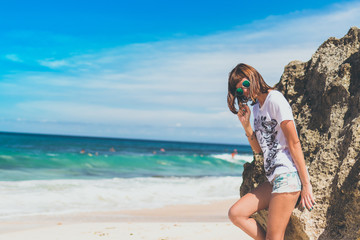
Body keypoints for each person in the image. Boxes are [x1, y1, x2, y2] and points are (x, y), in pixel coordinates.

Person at [226, 63, 315, 240]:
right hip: (273, 179)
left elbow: (294, 142)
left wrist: (306, 184)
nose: (243, 91)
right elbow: (259, 150)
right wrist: (246, 125)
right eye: (238, 91)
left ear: (253, 77)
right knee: (236, 213)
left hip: (287, 176)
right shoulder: (257, 109)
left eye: (244, 85)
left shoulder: (275, 99)